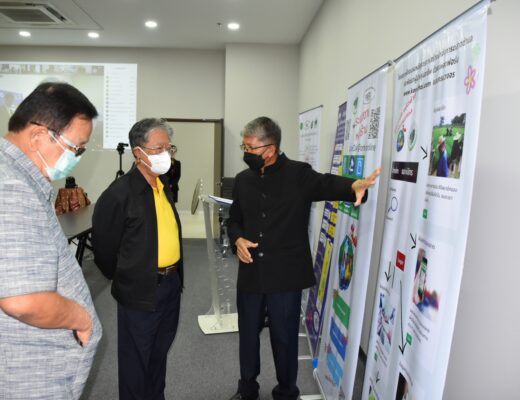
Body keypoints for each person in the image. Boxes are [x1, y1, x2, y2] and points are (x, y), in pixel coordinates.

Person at [226, 116, 380, 400]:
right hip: (251, 272)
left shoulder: (298, 174)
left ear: (270, 149)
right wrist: (237, 239)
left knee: (284, 338)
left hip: (286, 275)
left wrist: (354, 186)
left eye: (250, 147)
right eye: (244, 146)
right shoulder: (243, 180)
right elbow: (234, 219)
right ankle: (247, 388)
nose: (245, 152)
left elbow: (326, 183)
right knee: (247, 334)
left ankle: (286, 392)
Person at [0, 82, 102, 399]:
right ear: (37, 136)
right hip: (26, 372)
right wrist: (81, 319)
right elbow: (22, 299)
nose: (76, 158)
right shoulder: (12, 187)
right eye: (76, 148)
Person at [92, 118, 183, 400]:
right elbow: (103, 249)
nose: (166, 154)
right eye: (159, 148)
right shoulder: (118, 194)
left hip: (171, 285)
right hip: (140, 290)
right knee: (135, 362)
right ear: (138, 152)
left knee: (158, 354)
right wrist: (127, 278)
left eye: (169, 148)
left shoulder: (162, 184)